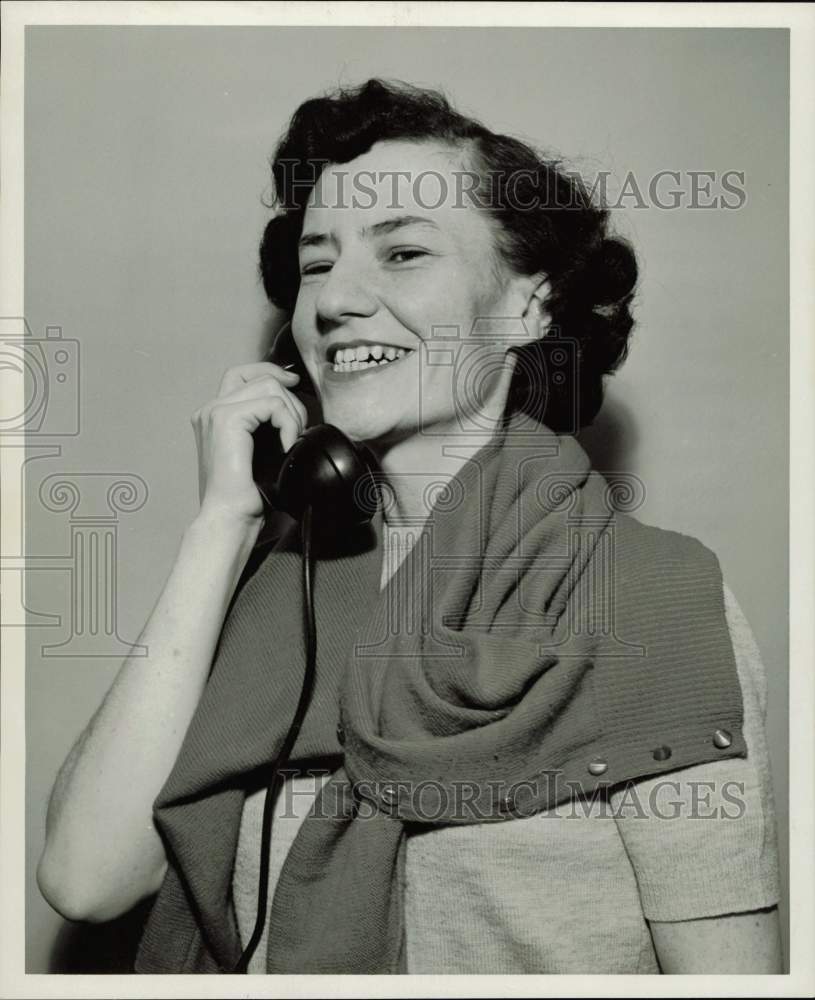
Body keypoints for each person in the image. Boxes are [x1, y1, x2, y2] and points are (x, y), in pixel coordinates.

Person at [37, 78, 782, 975]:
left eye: (401, 254)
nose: (334, 300)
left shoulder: (654, 600)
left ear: (526, 308)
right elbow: (87, 882)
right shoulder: (268, 594)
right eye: (317, 261)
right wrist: (223, 524)